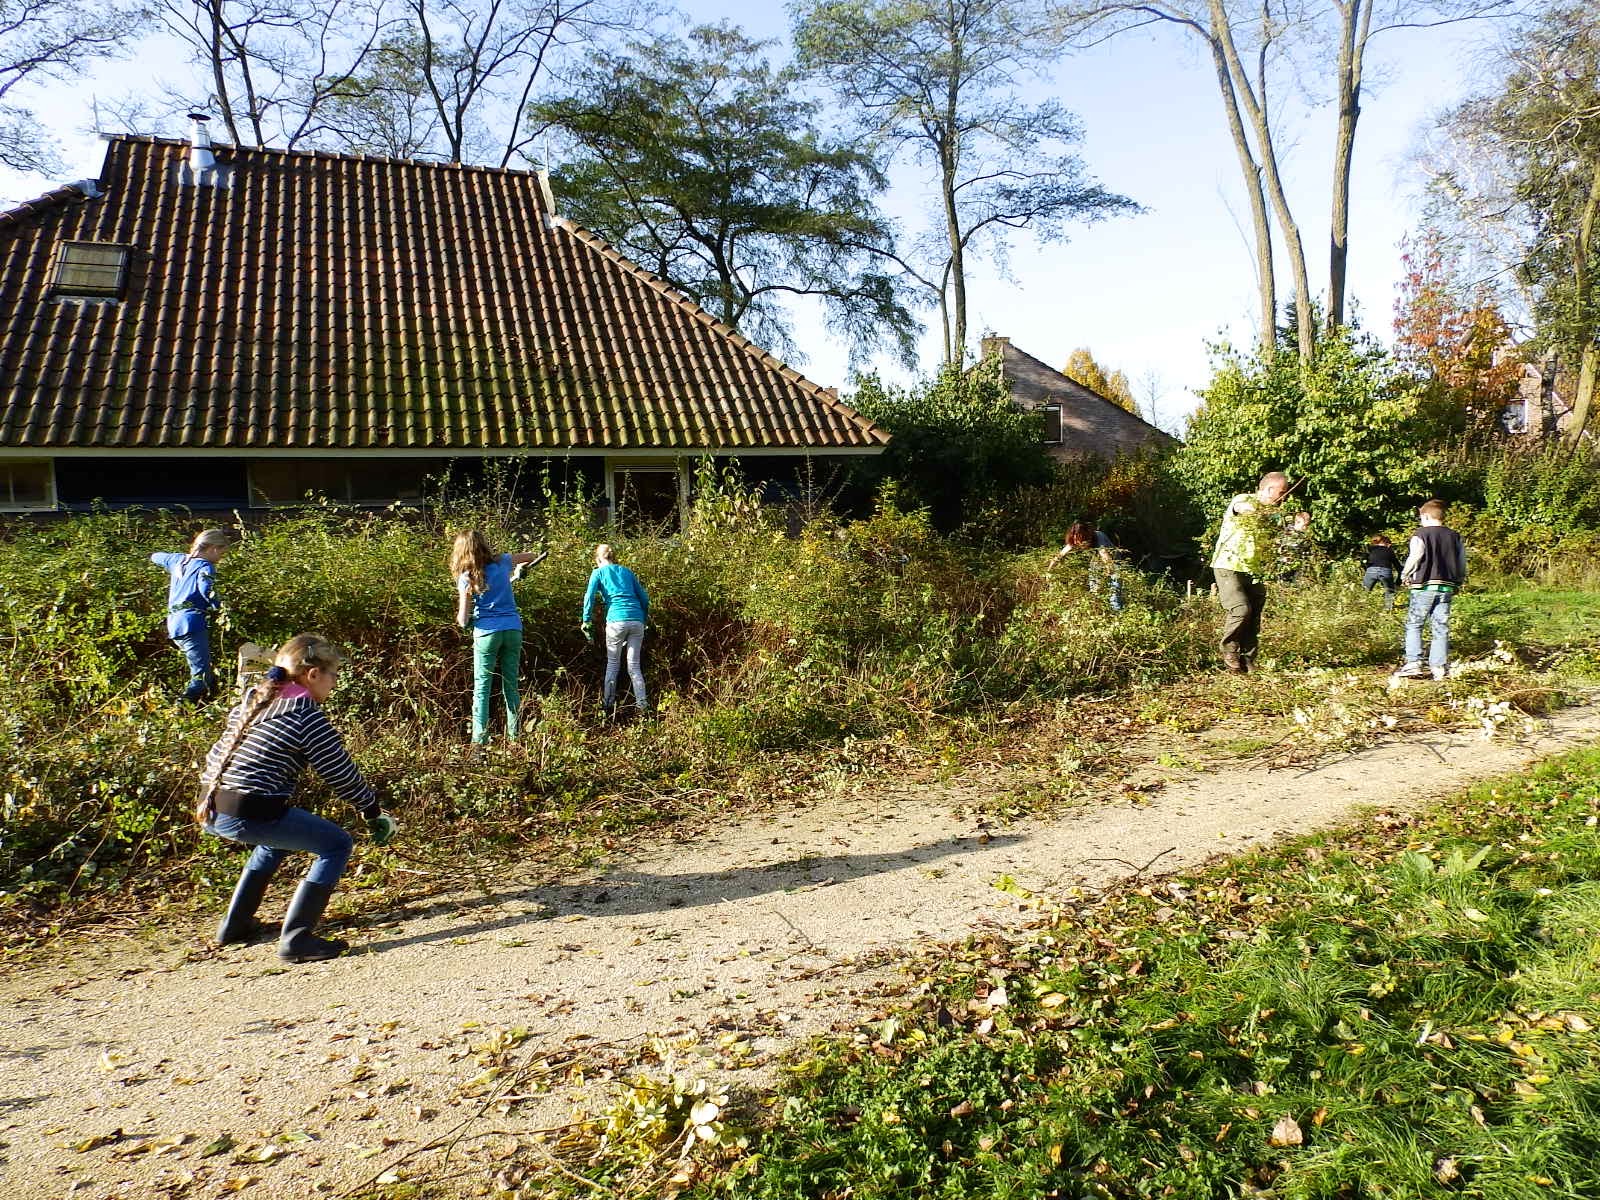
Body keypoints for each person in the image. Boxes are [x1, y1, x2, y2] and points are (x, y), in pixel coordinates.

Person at [198, 635, 396, 962]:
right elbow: (340, 772)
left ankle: (235, 927)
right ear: (313, 674)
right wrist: (373, 810)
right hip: (247, 810)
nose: (335, 683)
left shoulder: (257, 699)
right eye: (333, 675)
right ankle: (297, 940)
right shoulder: (303, 712)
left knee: (275, 841)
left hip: (211, 806)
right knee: (336, 845)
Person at [450, 531, 546, 744]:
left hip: (486, 633)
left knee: (482, 688)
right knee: (511, 686)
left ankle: (479, 744)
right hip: (513, 629)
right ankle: (515, 739)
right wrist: (519, 571)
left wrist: (465, 619)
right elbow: (531, 555)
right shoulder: (503, 561)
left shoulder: (467, 577)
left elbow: (463, 620)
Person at [1209, 471, 1292, 673]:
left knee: (1254, 614)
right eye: (1281, 492)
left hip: (1254, 570)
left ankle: (1248, 659)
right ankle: (1229, 650)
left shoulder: (1273, 515)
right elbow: (1240, 508)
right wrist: (1253, 511)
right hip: (1229, 564)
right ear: (1269, 489)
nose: (1284, 497)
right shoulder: (1245, 499)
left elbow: (1280, 538)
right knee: (1240, 609)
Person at [150, 528, 231, 702]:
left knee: (203, 670)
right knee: (200, 677)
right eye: (221, 554)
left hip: (174, 624)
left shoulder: (177, 560)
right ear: (213, 549)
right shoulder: (206, 566)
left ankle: (204, 705)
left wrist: (171, 561)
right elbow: (207, 590)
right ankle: (182, 707)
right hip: (192, 623)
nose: (220, 559)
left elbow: (155, 556)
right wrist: (222, 608)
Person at [1394, 500, 1466, 681]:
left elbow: (1416, 555)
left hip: (1423, 586)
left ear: (1425, 516)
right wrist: (1458, 580)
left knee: (1415, 624)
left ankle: (1413, 663)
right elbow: (1461, 561)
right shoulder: (1455, 536)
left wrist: (1404, 574)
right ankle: (1439, 667)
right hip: (1446, 586)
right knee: (1440, 627)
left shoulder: (1421, 534)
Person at [581, 543, 650, 718]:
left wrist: (586, 620)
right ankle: (642, 707)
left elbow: (589, 597)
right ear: (613, 557)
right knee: (634, 667)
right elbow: (644, 598)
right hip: (637, 620)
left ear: (598, 559)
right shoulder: (627, 572)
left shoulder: (598, 573)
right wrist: (643, 618)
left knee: (613, 665)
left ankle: (608, 706)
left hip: (616, 621)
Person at [1046, 521, 1124, 611]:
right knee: (1095, 594)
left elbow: (1105, 556)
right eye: (1076, 541)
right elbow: (1059, 556)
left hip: (1114, 563)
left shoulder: (1099, 536)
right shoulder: (1075, 540)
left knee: (1114, 596)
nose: (1078, 544)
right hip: (1096, 564)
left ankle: (1117, 614)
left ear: (1087, 537)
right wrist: (1049, 571)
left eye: (1081, 541)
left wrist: (1107, 573)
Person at [1363, 534, 1401, 608]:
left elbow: (1364, 560)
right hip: (1386, 571)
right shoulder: (1389, 551)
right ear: (1385, 542)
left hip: (1371, 570)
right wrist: (1398, 581)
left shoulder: (1370, 549)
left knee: (1365, 591)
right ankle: (1388, 609)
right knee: (1389, 591)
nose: (1390, 545)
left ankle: (1363, 607)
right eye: (1389, 543)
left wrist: (1366, 569)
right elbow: (1398, 566)